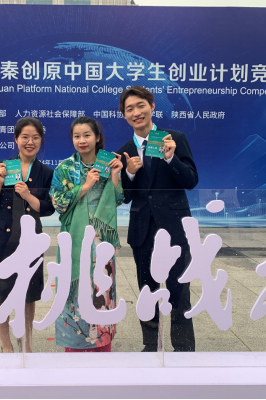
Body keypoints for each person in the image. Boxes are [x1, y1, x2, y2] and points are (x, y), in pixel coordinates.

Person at [116, 86, 198, 352]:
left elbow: (191, 180)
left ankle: (183, 348)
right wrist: (129, 174)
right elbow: (125, 196)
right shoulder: (124, 151)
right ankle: (151, 346)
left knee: (179, 290)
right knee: (147, 291)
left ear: (152, 106)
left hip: (174, 228)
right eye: (129, 109)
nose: (136, 113)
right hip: (142, 231)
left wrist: (171, 158)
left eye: (141, 106)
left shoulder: (175, 139)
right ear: (124, 115)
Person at [0, 117, 55, 353]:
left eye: (35, 138)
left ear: (41, 141)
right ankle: (6, 346)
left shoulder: (46, 172)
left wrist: (28, 196)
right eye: (25, 137)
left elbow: (49, 208)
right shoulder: (3, 166)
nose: (30, 142)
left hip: (31, 240)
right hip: (1, 238)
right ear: (16, 139)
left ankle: (27, 345)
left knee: (28, 293)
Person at [50, 116, 124, 352]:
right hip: (75, 237)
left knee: (102, 288)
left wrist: (115, 175)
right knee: (74, 288)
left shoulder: (107, 163)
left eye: (87, 135)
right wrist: (85, 186)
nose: (82, 140)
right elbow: (58, 203)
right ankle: (74, 345)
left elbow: (118, 199)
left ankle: (102, 343)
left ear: (97, 137)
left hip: (101, 240)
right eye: (76, 136)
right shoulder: (65, 168)